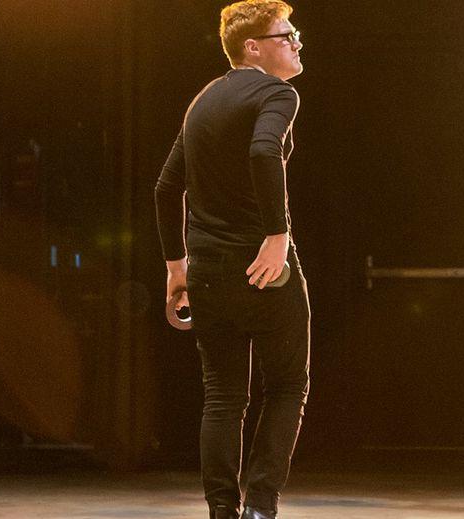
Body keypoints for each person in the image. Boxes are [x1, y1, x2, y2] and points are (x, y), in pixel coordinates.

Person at [153, 1, 307, 518]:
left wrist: (178, 270)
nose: (296, 42)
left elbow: (166, 186)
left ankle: (222, 512)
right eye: (286, 35)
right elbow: (264, 152)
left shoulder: (204, 100)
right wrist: (276, 234)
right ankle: (260, 508)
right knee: (286, 387)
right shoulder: (277, 92)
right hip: (262, 270)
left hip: (208, 273)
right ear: (253, 48)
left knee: (223, 397)